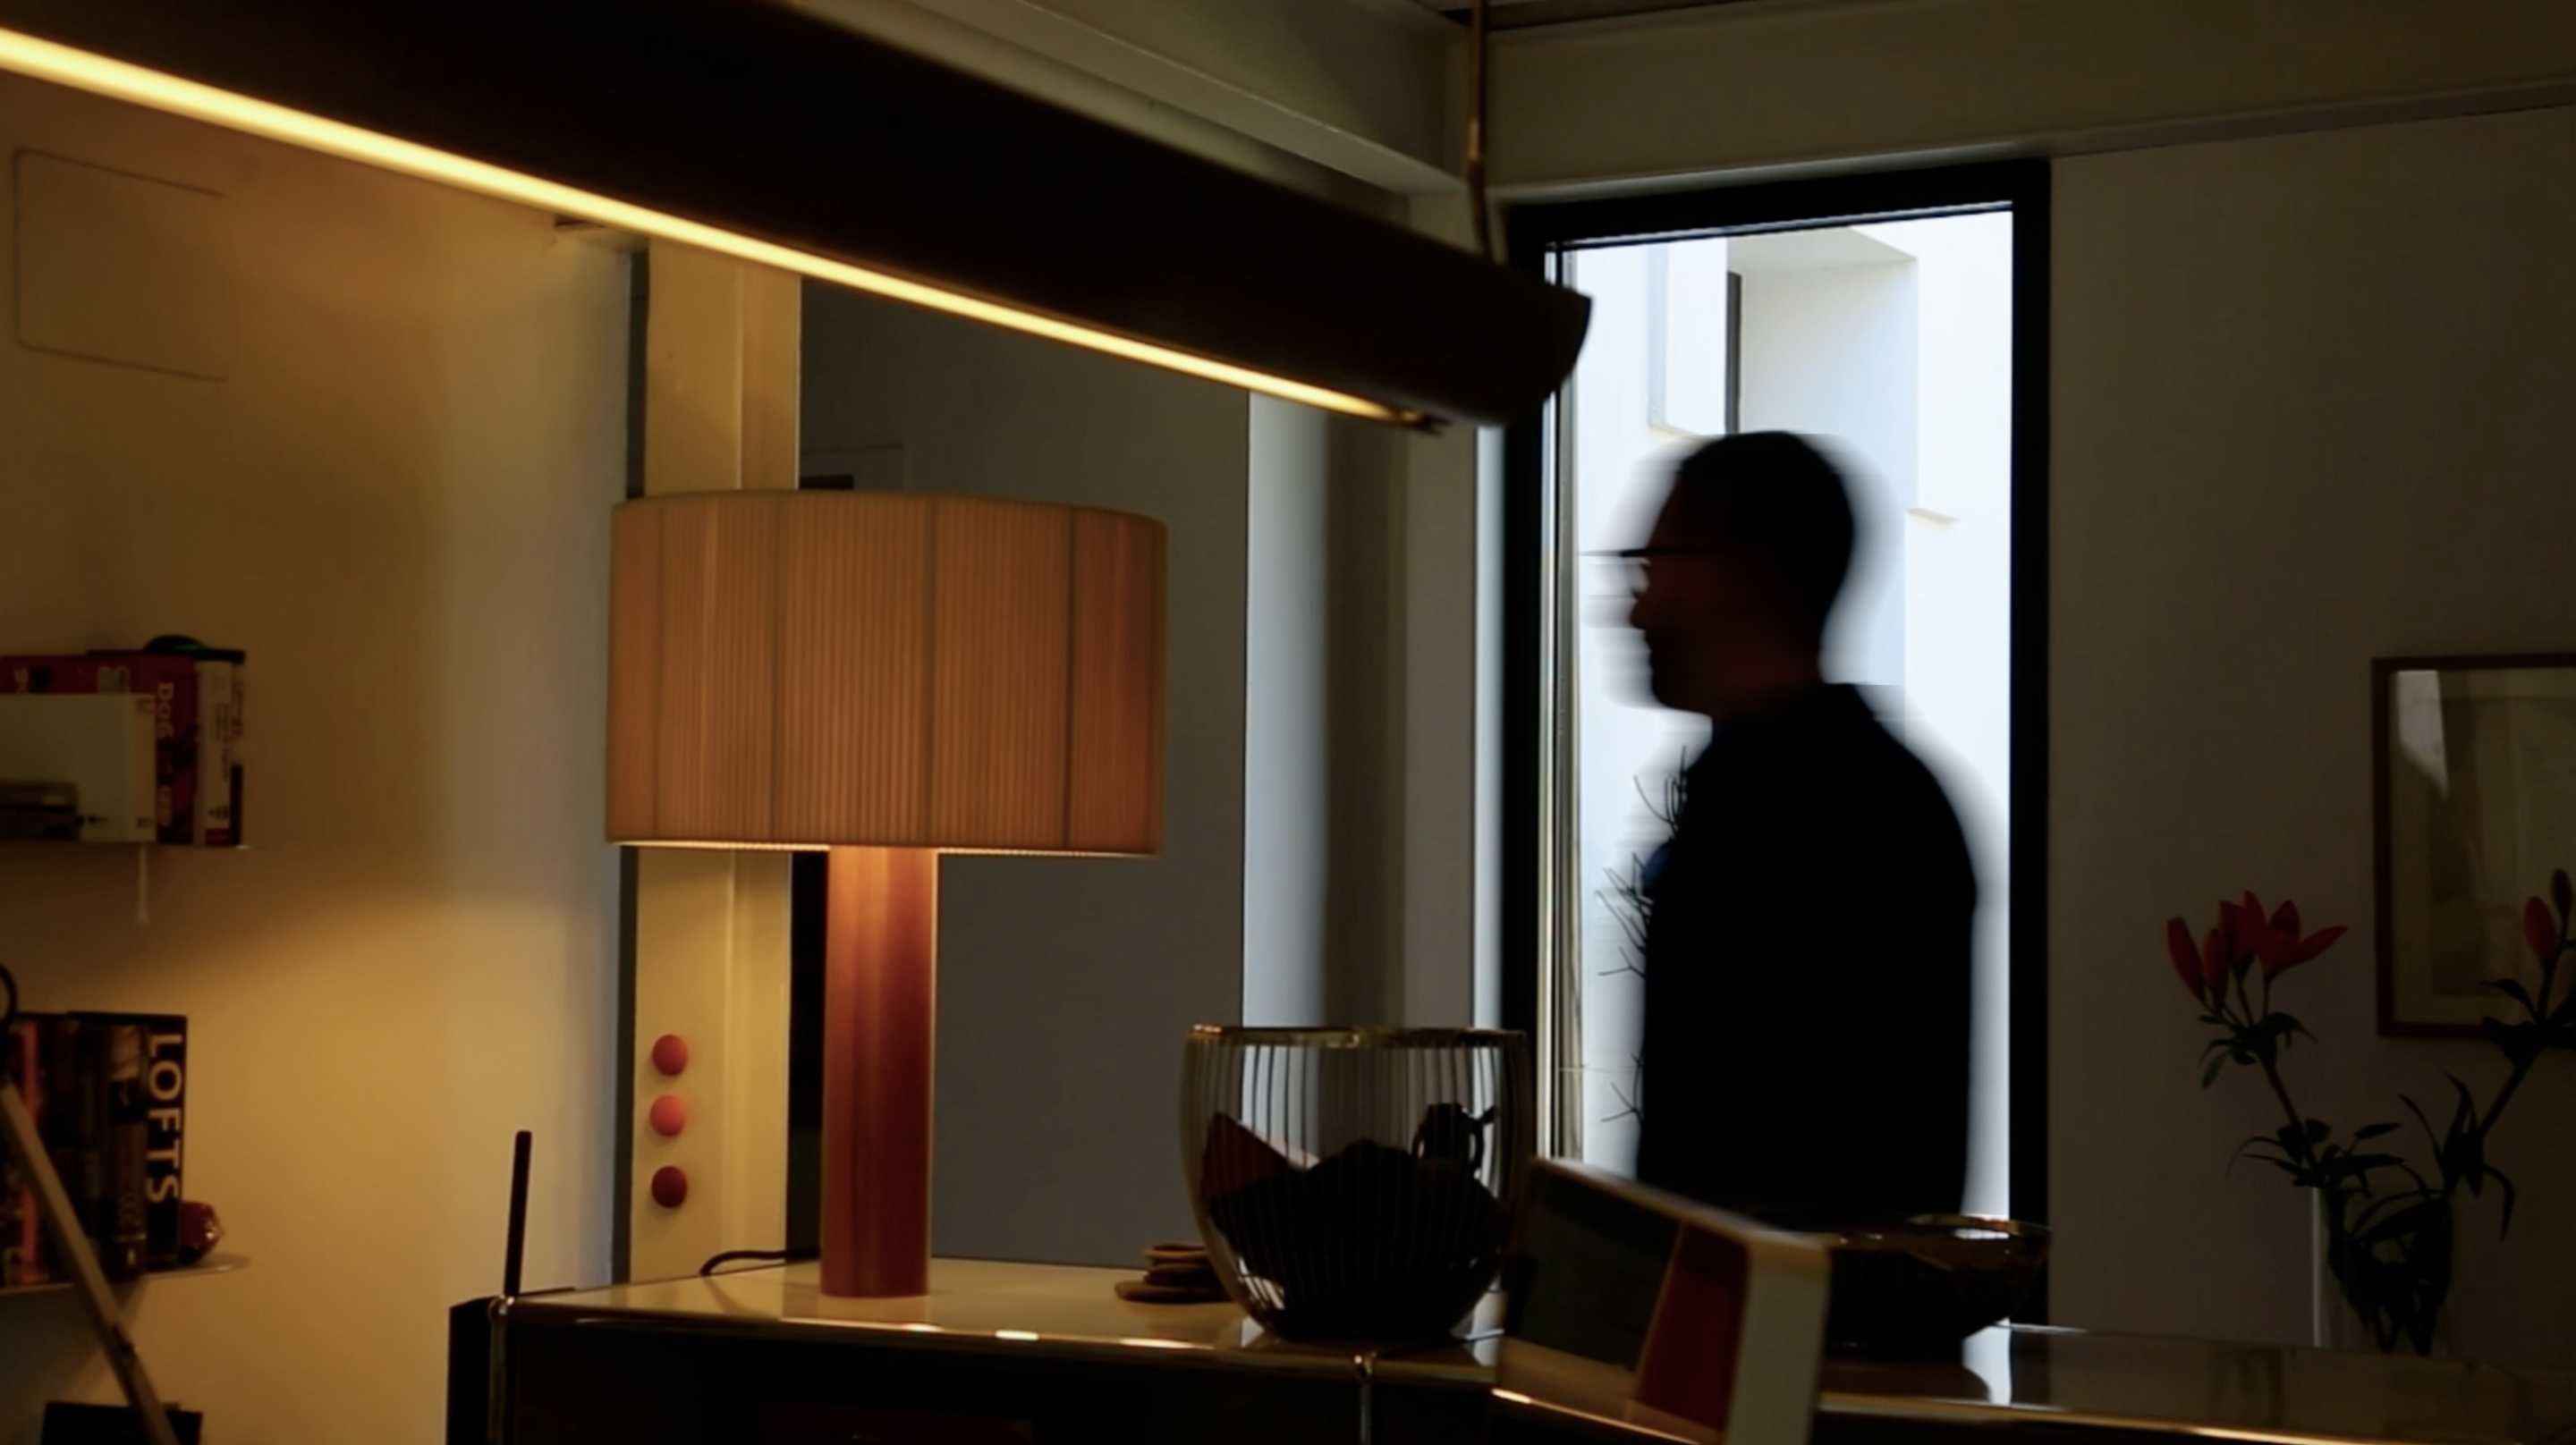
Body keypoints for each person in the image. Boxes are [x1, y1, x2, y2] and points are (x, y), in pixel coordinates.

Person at [1623, 431, 1975, 1226]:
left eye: (1655, 566)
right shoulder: (1860, 791)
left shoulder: (1850, 811)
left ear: (1744, 573)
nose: (1636, 607)